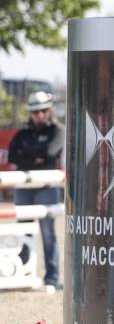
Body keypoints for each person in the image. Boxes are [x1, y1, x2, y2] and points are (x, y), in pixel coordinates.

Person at [7, 91, 65, 290]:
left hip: (46, 186)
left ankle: (52, 276)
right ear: (31, 113)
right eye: (36, 112)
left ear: (49, 111)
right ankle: (23, 272)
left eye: (43, 111)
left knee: (48, 233)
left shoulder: (57, 130)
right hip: (25, 187)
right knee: (24, 229)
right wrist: (37, 157)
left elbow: (50, 152)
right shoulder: (23, 133)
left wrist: (29, 155)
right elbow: (13, 156)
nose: (40, 115)